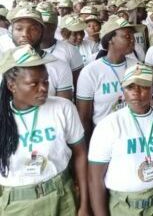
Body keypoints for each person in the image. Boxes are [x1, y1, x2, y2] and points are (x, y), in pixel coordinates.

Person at [0, 44, 89, 216]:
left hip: (62, 197)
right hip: (17, 205)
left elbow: (80, 153)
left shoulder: (63, 108)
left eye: (45, 81)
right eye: (33, 83)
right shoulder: (3, 117)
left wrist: (84, 203)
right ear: (12, 86)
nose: (43, 88)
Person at [88, 63, 153, 216]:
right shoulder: (108, 125)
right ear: (123, 90)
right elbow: (95, 178)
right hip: (123, 207)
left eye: (143, 86)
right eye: (130, 87)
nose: (136, 92)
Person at [76, 16, 137, 142]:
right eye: (126, 36)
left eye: (132, 36)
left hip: (133, 134)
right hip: (104, 138)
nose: (132, 40)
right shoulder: (91, 72)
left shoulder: (136, 66)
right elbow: (84, 117)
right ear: (110, 40)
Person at [0, 8, 74, 100]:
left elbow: (64, 107)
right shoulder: (3, 62)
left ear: (42, 32)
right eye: (19, 29)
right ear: (11, 32)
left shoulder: (59, 66)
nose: (25, 34)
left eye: (33, 29)